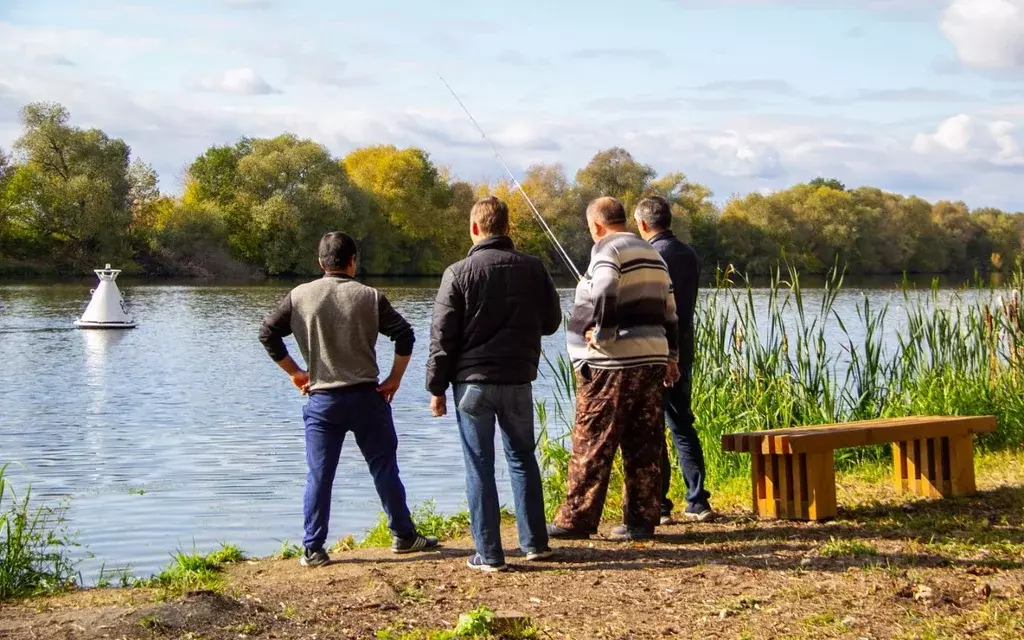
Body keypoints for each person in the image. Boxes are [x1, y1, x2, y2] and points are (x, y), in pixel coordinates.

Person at [259, 232, 440, 568]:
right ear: (353, 261)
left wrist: (295, 373)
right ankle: (403, 535)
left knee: (319, 475)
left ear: (320, 262)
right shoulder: (370, 296)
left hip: (322, 402)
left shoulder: (299, 296)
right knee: (384, 467)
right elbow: (405, 335)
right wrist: (394, 379)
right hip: (367, 398)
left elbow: (267, 333)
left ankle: (313, 547)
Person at [426, 196, 563, 573]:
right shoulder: (534, 269)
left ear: (474, 228)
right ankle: (535, 544)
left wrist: (435, 388)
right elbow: (552, 322)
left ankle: (489, 554)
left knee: (479, 466)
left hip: (471, 385)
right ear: (507, 228)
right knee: (522, 459)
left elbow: (442, 337)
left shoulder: (457, 272)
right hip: (518, 380)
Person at [548, 196, 680, 542]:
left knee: (592, 440)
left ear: (596, 225)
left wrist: (604, 333)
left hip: (612, 364)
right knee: (644, 442)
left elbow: (605, 286)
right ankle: (641, 521)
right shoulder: (653, 253)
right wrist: (672, 356)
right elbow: (670, 310)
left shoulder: (608, 251)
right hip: (651, 359)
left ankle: (575, 521)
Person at [633, 196, 714, 523]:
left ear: (642, 224)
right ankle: (697, 500)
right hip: (685, 344)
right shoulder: (689, 254)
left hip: (656, 348)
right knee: (681, 421)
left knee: (653, 425)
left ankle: (661, 505)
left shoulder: (651, 256)